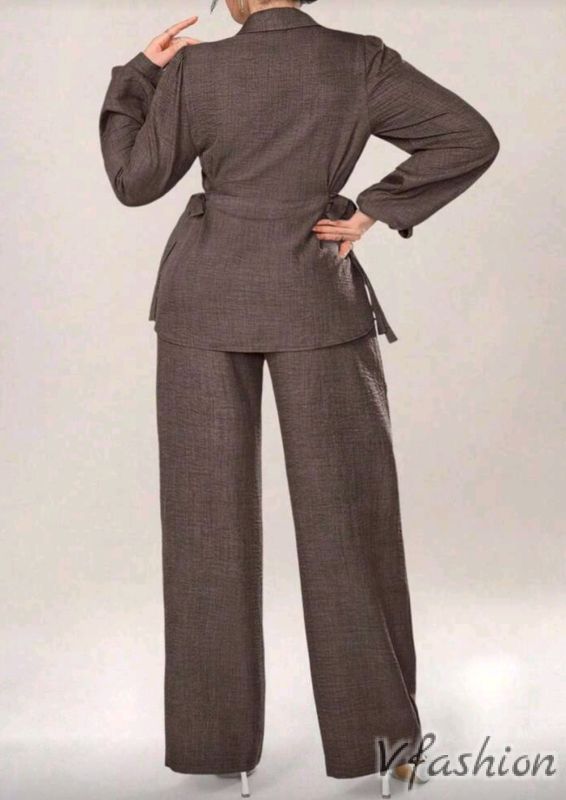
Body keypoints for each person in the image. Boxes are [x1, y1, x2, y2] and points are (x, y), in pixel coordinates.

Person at [98, 0, 499, 794]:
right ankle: (384, 749)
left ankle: (220, 749)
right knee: (350, 520)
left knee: (205, 528)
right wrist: (375, 210)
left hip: (202, 302)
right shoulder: (359, 59)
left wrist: (140, 75)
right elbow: (468, 136)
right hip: (314, 296)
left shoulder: (200, 68)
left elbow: (134, 181)